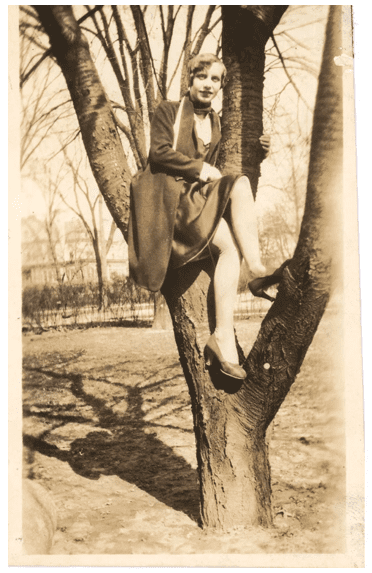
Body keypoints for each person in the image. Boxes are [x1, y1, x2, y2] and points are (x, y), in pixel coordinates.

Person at [128, 53, 285, 381]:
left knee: (231, 246)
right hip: (169, 203)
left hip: (193, 201)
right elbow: (157, 153)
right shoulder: (168, 110)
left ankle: (225, 333)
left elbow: (222, 168)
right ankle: (252, 279)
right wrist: (199, 167)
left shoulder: (214, 122)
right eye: (203, 77)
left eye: (216, 80)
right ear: (190, 79)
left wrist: (259, 150)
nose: (209, 85)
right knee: (235, 189)